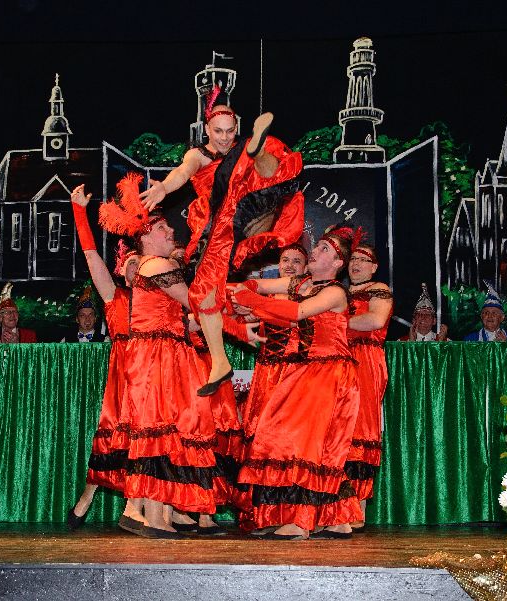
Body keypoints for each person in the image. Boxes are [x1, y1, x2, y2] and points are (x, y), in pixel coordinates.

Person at [139, 91, 305, 397]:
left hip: (246, 203)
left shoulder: (237, 149)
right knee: (203, 292)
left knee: (258, 163)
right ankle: (220, 363)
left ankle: (259, 152)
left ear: (236, 127)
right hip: (222, 219)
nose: (225, 137)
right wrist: (164, 187)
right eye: (218, 132)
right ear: (207, 130)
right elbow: (183, 172)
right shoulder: (197, 155)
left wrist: (250, 151)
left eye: (230, 131)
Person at [99, 174, 228, 538]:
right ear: (145, 237)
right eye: (162, 228)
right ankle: (153, 516)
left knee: (165, 430)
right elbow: (197, 302)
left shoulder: (151, 267)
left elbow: (184, 314)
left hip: (161, 351)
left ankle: (157, 513)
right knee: (160, 429)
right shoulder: (157, 265)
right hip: (158, 354)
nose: (171, 230)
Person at [231, 226, 362, 540]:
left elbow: (298, 312)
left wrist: (252, 302)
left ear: (338, 263)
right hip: (305, 369)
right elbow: (259, 286)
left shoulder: (335, 292)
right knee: (311, 446)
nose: (316, 251)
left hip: (329, 370)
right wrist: (241, 294)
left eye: (325, 249)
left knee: (302, 443)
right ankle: (336, 518)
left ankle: (300, 522)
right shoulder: (300, 283)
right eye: (318, 246)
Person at [67, 183, 146, 534]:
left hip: (154, 371)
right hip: (126, 372)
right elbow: (90, 256)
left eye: (141, 264)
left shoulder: (163, 297)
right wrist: (79, 212)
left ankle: (136, 507)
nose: (137, 269)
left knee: (147, 440)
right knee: (116, 437)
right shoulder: (114, 297)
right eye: (131, 264)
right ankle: (87, 496)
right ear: (121, 271)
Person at [344, 240, 393, 532]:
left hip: (364, 361)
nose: (356, 264)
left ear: (374, 267)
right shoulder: (337, 291)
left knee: (360, 430)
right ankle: (335, 508)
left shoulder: (379, 289)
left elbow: (375, 320)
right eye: (353, 259)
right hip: (336, 360)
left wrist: (334, 321)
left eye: (363, 260)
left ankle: (357, 510)